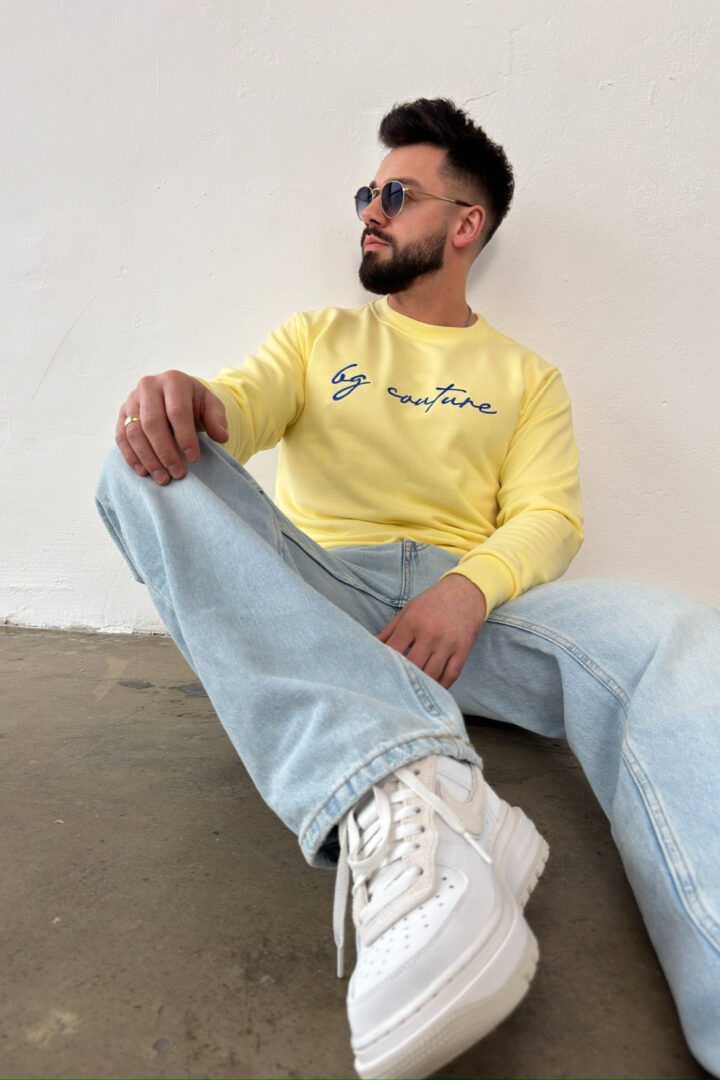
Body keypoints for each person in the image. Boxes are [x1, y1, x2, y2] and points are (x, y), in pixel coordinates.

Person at [95, 98, 720, 1079]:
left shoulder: (527, 377)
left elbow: (549, 518)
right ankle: (404, 782)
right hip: (324, 599)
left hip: (472, 616)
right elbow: (235, 412)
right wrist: (185, 404)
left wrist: (469, 589)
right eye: (366, 195)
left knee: (680, 635)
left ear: (466, 224)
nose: (369, 213)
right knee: (138, 467)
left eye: (396, 195)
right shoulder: (319, 338)